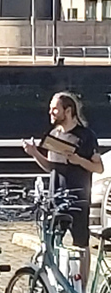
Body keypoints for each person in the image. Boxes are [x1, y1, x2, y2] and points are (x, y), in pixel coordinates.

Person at [22, 92, 103, 283]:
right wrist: (34, 153)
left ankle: (81, 289)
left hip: (78, 198)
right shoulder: (54, 135)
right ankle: (56, 284)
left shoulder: (85, 136)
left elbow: (98, 168)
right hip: (55, 197)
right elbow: (51, 167)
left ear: (68, 110)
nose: (50, 112)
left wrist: (78, 160)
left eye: (54, 108)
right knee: (52, 243)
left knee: (81, 244)